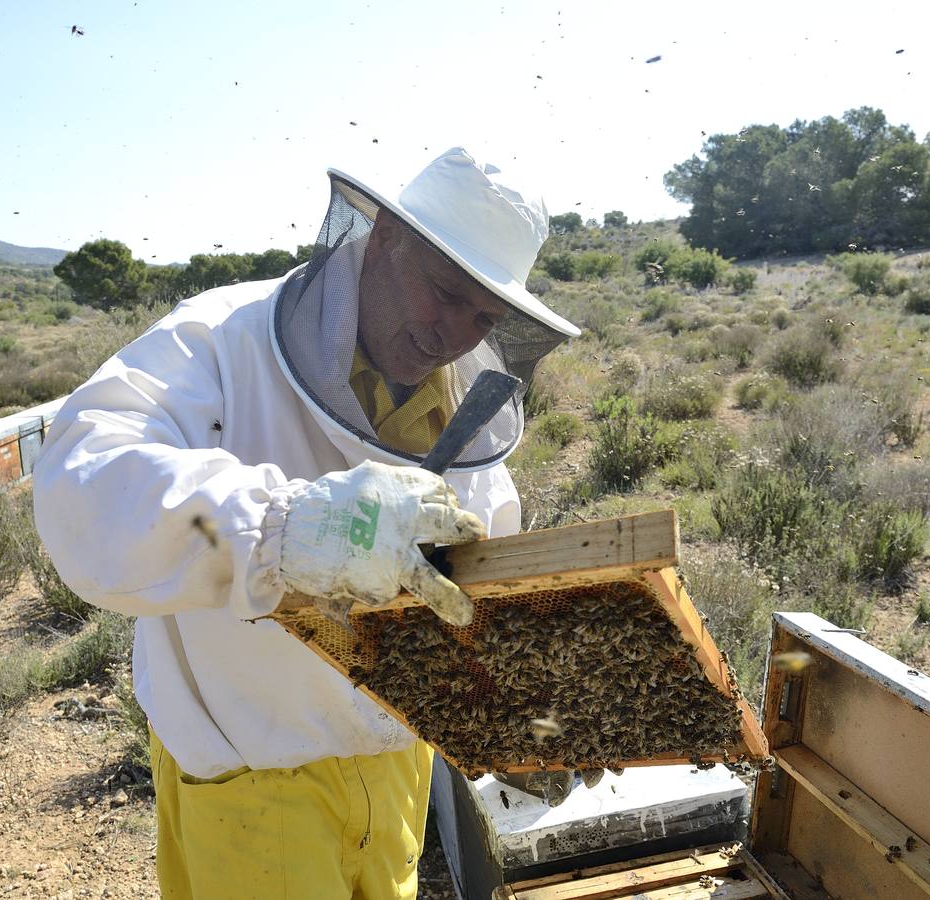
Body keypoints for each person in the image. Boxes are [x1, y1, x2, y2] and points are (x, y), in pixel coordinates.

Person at [33, 147, 580, 899]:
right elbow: (82, 481)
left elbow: (479, 579)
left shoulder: (470, 407)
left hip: (396, 764)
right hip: (252, 776)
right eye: (445, 292)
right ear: (384, 234)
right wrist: (285, 528)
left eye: (484, 315)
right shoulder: (222, 339)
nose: (456, 332)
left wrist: (529, 699)